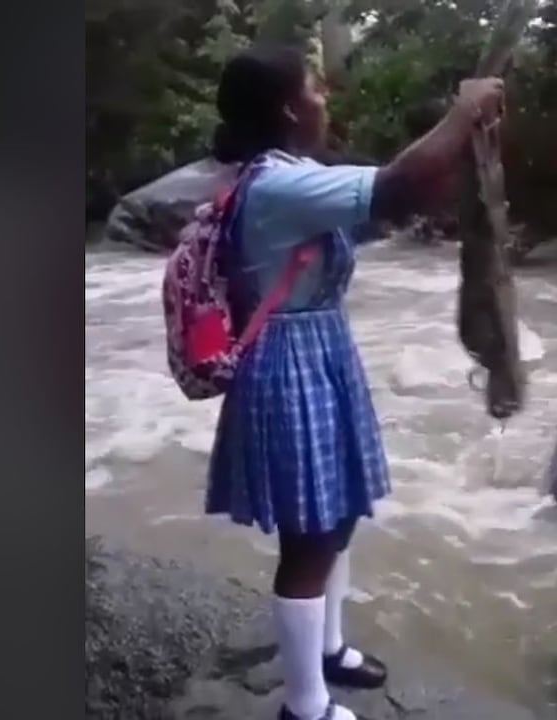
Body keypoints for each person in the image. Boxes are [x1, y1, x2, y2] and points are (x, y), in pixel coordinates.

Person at [204, 44, 504, 720]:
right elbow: (397, 185)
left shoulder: (290, 175)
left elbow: (395, 200)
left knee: (334, 514)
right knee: (309, 534)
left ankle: (331, 648)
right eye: (315, 86)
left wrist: (460, 137)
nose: (324, 96)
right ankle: (305, 707)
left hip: (319, 351)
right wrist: (461, 112)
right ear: (289, 107)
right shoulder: (277, 185)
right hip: (291, 361)